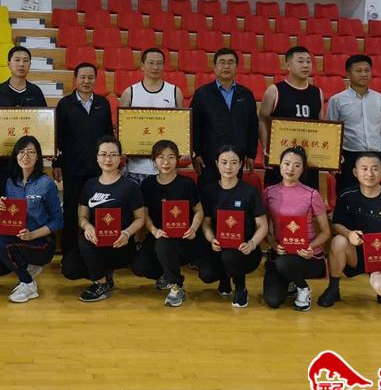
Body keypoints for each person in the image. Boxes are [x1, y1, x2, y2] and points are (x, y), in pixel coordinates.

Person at [0, 45, 47, 277]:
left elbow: (44, 125)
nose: (21, 64)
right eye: (17, 60)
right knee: (1, 202)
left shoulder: (36, 93)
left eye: (25, 60)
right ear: (9, 63)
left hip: (28, 163)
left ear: (30, 65)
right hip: (2, 161)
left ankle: (25, 249)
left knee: (29, 204)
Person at [318, 152, 381, 307]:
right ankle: (333, 289)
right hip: (356, 254)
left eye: (375, 169)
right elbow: (335, 225)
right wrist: (349, 234)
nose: (369, 173)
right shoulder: (346, 196)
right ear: (355, 172)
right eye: (364, 169)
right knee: (338, 241)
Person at [61, 136, 146, 302]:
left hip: (119, 244)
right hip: (95, 243)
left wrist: (127, 233)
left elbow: (140, 218)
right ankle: (103, 276)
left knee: (88, 247)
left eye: (113, 155)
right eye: (104, 154)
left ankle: (100, 284)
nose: (108, 159)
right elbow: (82, 216)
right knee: (70, 268)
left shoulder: (130, 186)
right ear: (97, 157)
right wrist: (88, 226)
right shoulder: (90, 185)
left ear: (120, 158)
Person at [0, 136, 63, 303]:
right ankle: (27, 275)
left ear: (38, 157)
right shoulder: (10, 183)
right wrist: (0, 210)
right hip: (20, 238)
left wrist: (32, 235)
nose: (25, 156)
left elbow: (58, 221)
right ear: (16, 156)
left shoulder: (46, 184)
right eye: (21, 152)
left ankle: (27, 284)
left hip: (42, 242)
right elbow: (11, 215)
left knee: (2, 243)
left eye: (31, 152)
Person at [131, 140, 204, 308]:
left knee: (164, 244)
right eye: (161, 157)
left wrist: (193, 228)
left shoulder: (186, 183)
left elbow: (199, 211)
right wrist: (154, 230)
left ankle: (176, 286)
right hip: (159, 236)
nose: (166, 162)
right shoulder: (148, 184)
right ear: (154, 160)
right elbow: (144, 214)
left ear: (177, 159)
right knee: (140, 267)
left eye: (171, 157)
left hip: (184, 239)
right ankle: (167, 273)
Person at [53, 62, 113, 258]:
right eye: (83, 77)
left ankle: (98, 252)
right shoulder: (65, 104)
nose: (86, 81)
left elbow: (108, 136)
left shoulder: (103, 104)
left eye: (90, 77)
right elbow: (58, 137)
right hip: (72, 168)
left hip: (98, 169)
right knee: (72, 210)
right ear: (75, 79)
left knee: (97, 210)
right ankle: (70, 253)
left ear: (96, 80)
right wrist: (57, 164)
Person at [197, 146, 268, 308]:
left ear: (241, 164)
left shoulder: (250, 192)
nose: (228, 167)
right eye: (224, 162)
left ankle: (241, 288)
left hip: (245, 250)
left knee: (230, 256)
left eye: (234, 162)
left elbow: (262, 225)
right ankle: (224, 278)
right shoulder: (209, 191)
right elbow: (206, 224)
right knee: (206, 274)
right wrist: (212, 239)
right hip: (218, 246)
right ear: (217, 164)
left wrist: (251, 244)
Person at [262, 146, 332, 311]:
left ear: (303, 169)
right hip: (281, 252)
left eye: (297, 165)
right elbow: (263, 228)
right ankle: (290, 281)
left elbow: (326, 232)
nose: (290, 169)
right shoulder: (269, 193)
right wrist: (273, 245)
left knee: (284, 264)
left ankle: (303, 288)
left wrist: (310, 247)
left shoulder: (312, 194)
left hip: (307, 255)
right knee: (272, 300)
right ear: (280, 165)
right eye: (286, 164)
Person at [190, 47, 259, 187]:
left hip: (236, 159)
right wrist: (196, 154)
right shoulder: (202, 94)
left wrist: (251, 154)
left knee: (233, 194)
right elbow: (194, 126)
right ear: (214, 67)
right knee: (207, 195)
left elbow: (253, 126)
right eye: (222, 62)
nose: (226, 66)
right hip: (208, 159)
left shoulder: (246, 94)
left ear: (236, 67)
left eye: (230, 62)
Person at [260, 46, 323, 189]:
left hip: (308, 160)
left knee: (308, 197)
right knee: (277, 198)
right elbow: (263, 120)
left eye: (308, 61)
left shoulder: (317, 92)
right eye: (300, 61)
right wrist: (265, 146)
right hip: (281, 158)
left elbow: (321, 126)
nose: (306, 65)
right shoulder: (274, 90)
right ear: (288, 65)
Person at [326, 54, 381, 195]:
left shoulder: (380, 99)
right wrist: (333, 159)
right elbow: (331, 133)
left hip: (375, 155)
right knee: (347, 196)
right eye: (358, 71)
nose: (363, 74)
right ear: (348, 73)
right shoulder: (337, 100)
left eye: (367, 70)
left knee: (373, 197)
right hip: (349, 157)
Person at [118, 48, 183, 183]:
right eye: (151, 63)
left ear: (164, 66)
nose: (155, 67)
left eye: (159, 63)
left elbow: (181, 127)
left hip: (165, 169)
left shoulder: (174, 92)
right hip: (135, 168)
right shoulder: (130, 92)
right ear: (142, 66)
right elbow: (122, 128)